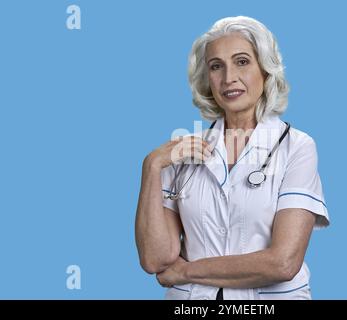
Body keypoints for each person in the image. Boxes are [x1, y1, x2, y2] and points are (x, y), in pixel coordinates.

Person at [135, 16, 330, 300]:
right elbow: (156, 259)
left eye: (242, 61)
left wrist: (186, 271)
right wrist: (150, 167)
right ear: (207, 78)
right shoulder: (181, 153)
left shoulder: (296, 147)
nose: (228, 78)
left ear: (265, 69)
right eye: (216, 66)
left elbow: (283, 262)